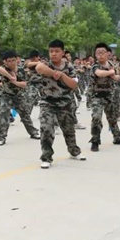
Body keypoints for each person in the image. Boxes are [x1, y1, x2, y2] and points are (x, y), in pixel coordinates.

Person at [35, 39, 86, 169]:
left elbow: (74, 84)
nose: (53, 54)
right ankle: (46, 157)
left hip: (65, 102)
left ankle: (74, 151)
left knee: (69, 129)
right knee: (46, 129)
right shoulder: (46, 64)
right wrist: (54, 73)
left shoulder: (69, 66)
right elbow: (38, 67)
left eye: (57, 51)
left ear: (63, 52)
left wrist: (62, 75)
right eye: (51, 51)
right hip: (47, 102)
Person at [88, 43, 120, 151]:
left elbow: (117, 77)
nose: (100, 55)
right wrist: (110, 72)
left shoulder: (112, 64)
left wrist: (113, 74)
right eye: (97, 53)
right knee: (96, 118)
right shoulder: (95, 66)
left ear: (108, 54)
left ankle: (117, 137)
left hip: (109, 95)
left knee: (112, 119)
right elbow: (99, 73)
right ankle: (95, 140)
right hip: (97, 96)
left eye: (102, 52)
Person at [0, 51, 40, 146]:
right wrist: (11, 77)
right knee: (4, 114)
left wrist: (15, 82)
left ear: (17, 60)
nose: (12, 63)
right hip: (6, 95)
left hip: (19, 95)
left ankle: (33, 132)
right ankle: (1, 137)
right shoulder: (4, 69)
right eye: (9, 61)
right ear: (5, 62)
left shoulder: (21, 70)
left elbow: (24, 84)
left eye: (14, 60)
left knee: (25, 115)